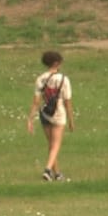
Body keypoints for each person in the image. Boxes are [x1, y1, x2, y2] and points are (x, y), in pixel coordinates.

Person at [27, 50, 73, 181]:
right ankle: (47, 170)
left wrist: (30, 119)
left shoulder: (40, 79)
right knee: (56, 145)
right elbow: (68, 102)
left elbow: (36, 102)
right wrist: (71, 120)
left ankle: (57, 173)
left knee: (51, 145)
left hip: (45, 114)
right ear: (57, 63)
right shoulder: (64, 79)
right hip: (58, 114)